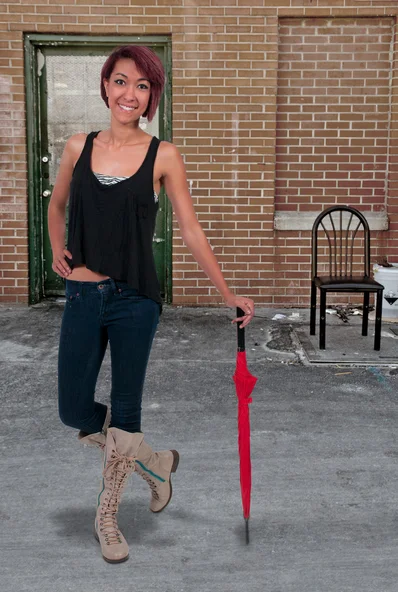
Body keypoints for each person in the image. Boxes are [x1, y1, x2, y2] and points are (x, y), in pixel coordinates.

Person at [48, 45, 255, 564]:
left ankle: (109, 517)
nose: (129, 93)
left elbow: (189, 229)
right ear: (106, 85)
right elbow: (56, 206)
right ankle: (154, 462)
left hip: (136, 299)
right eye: (121, 81)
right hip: (82, 294)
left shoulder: (164, 154)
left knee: (126, 411)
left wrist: (227, 292)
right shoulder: (78, 146)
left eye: (142, 86)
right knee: (72, 408)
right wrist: (56, 248)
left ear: (151, 97)